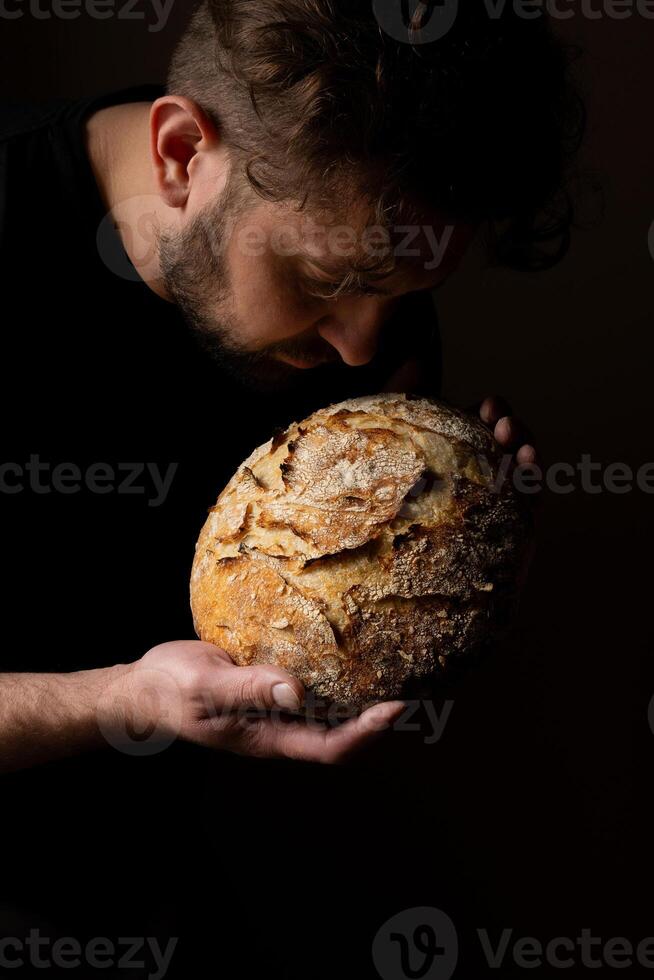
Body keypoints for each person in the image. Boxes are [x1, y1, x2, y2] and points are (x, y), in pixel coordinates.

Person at [0, 1, 582, 975]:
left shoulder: (378, 334)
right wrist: (119, 699)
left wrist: (463, 582)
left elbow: (324, 647)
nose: (362, 343)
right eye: (323, 280)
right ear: (184, 153)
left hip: (150, 893)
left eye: (404, 292)